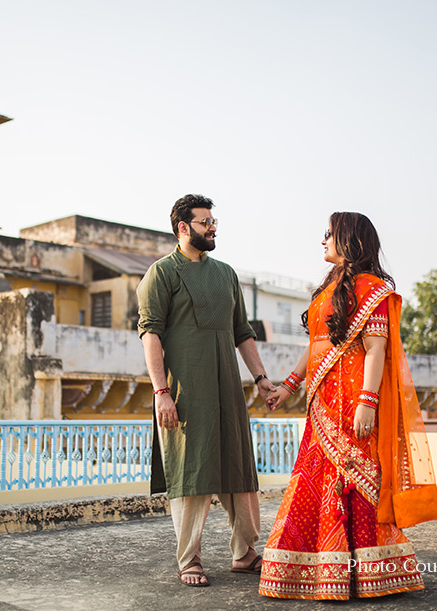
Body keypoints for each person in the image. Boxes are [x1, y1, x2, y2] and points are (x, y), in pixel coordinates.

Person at [258, 212, 437, 600]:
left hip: (353, 402)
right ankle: (321, 573)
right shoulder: (329, 290)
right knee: (315, 481)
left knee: (356, 484)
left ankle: (368, 575)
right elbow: (318, 347)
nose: (323, 240)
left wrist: (367, 402)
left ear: (350, 240)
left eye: (330, 233)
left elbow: (376, 349)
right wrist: (289, 387)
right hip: (323, 404)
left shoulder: (373, 289)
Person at [137, 194, 275, 587]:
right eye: (204, 222)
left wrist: (261, 378)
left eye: (214, 221)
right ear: (183, 227)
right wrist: (161, 391)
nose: (213, 227)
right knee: (191, 470)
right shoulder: (161, 273)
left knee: (238, 465)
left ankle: (244, 552)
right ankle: (189, 559)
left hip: (227, 386)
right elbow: (151, 335)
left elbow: (242, 333)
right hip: (184, 388)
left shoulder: (227, 273)